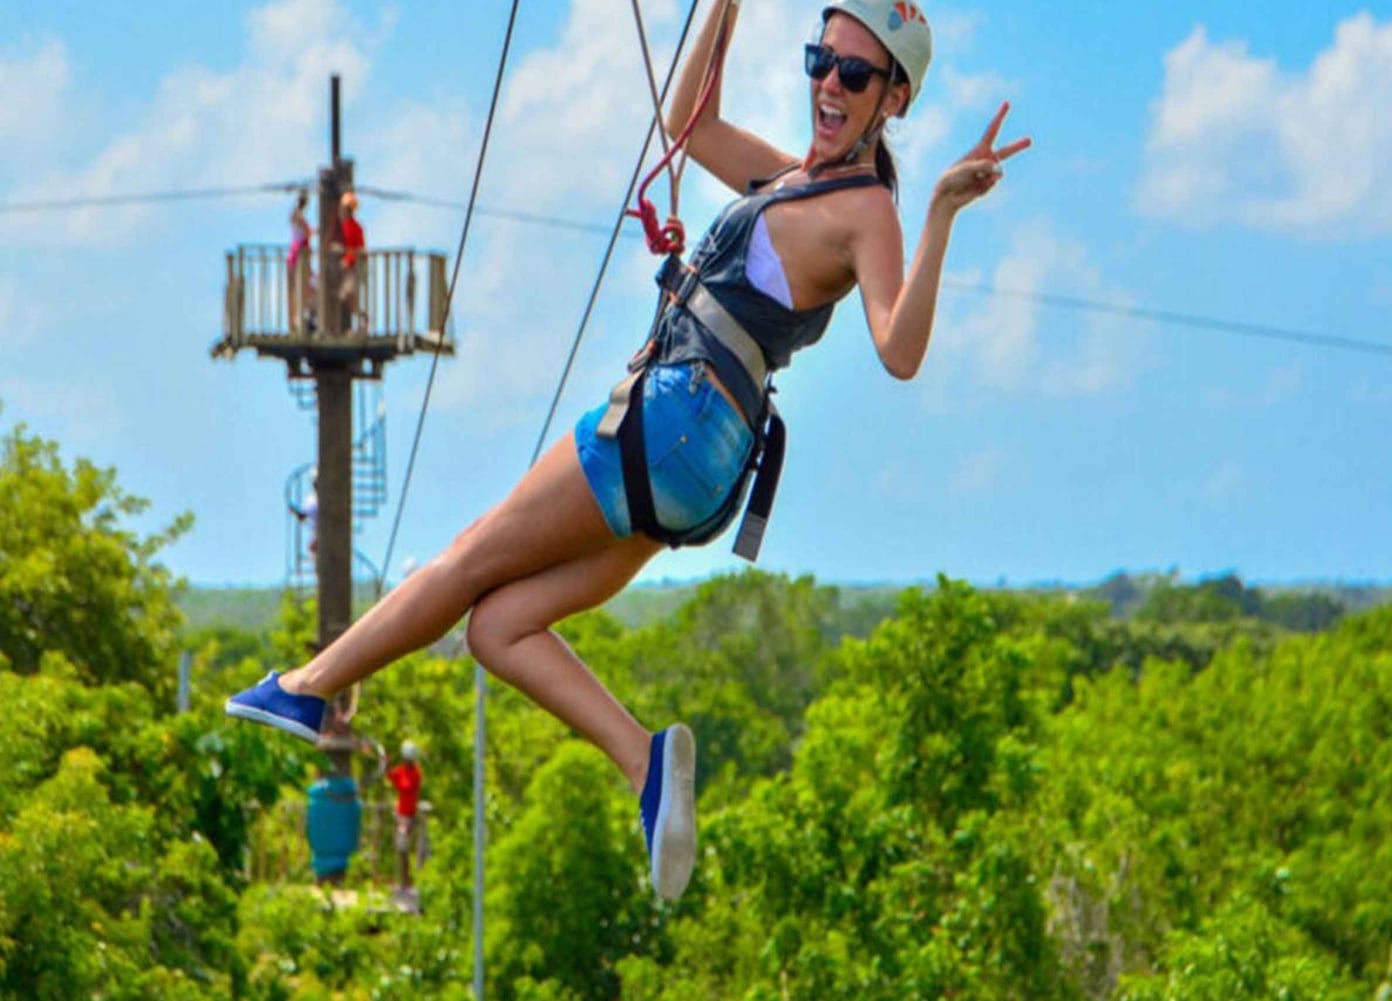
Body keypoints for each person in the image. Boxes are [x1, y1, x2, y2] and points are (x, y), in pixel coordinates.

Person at [227, 0, 1029, 903]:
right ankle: (645, 763)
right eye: (819, 60)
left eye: (853, 73)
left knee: (464, 560)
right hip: (701, 466)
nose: (827, 86)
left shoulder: (869, 210)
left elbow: (900, 349)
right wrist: (723, 14)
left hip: (679, 418)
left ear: (895, 98)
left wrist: (942, 214)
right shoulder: (793, 179)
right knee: (496, 627)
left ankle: (311, 684)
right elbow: (691, 127)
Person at [386, 740, 424, 893]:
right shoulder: (402, 770)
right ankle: (403, 880)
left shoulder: (415, 774)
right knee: (401, 848)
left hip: (408, 816)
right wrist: (386, 764)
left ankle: (407, 881)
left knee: (404, 847)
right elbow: (390, 775)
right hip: (400, 814)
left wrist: (395, 776)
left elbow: (405, 786)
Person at [331, 190, 366, 333]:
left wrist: (347, 259)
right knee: (342, 295)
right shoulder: (343, 226)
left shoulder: (355, 227)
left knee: (349, 293)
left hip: (354, 267)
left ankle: (361, 320)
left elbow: (359, 249)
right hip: (345, 268)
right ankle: (345, 326)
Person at [287, 189, 314, 335]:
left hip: (297, 252)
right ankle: (298, 318)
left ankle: (298, 318)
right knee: (301, 286)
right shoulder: (299, 217)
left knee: (299, 287)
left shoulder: (294, 216)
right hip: (300, 254)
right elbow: (307, 232)